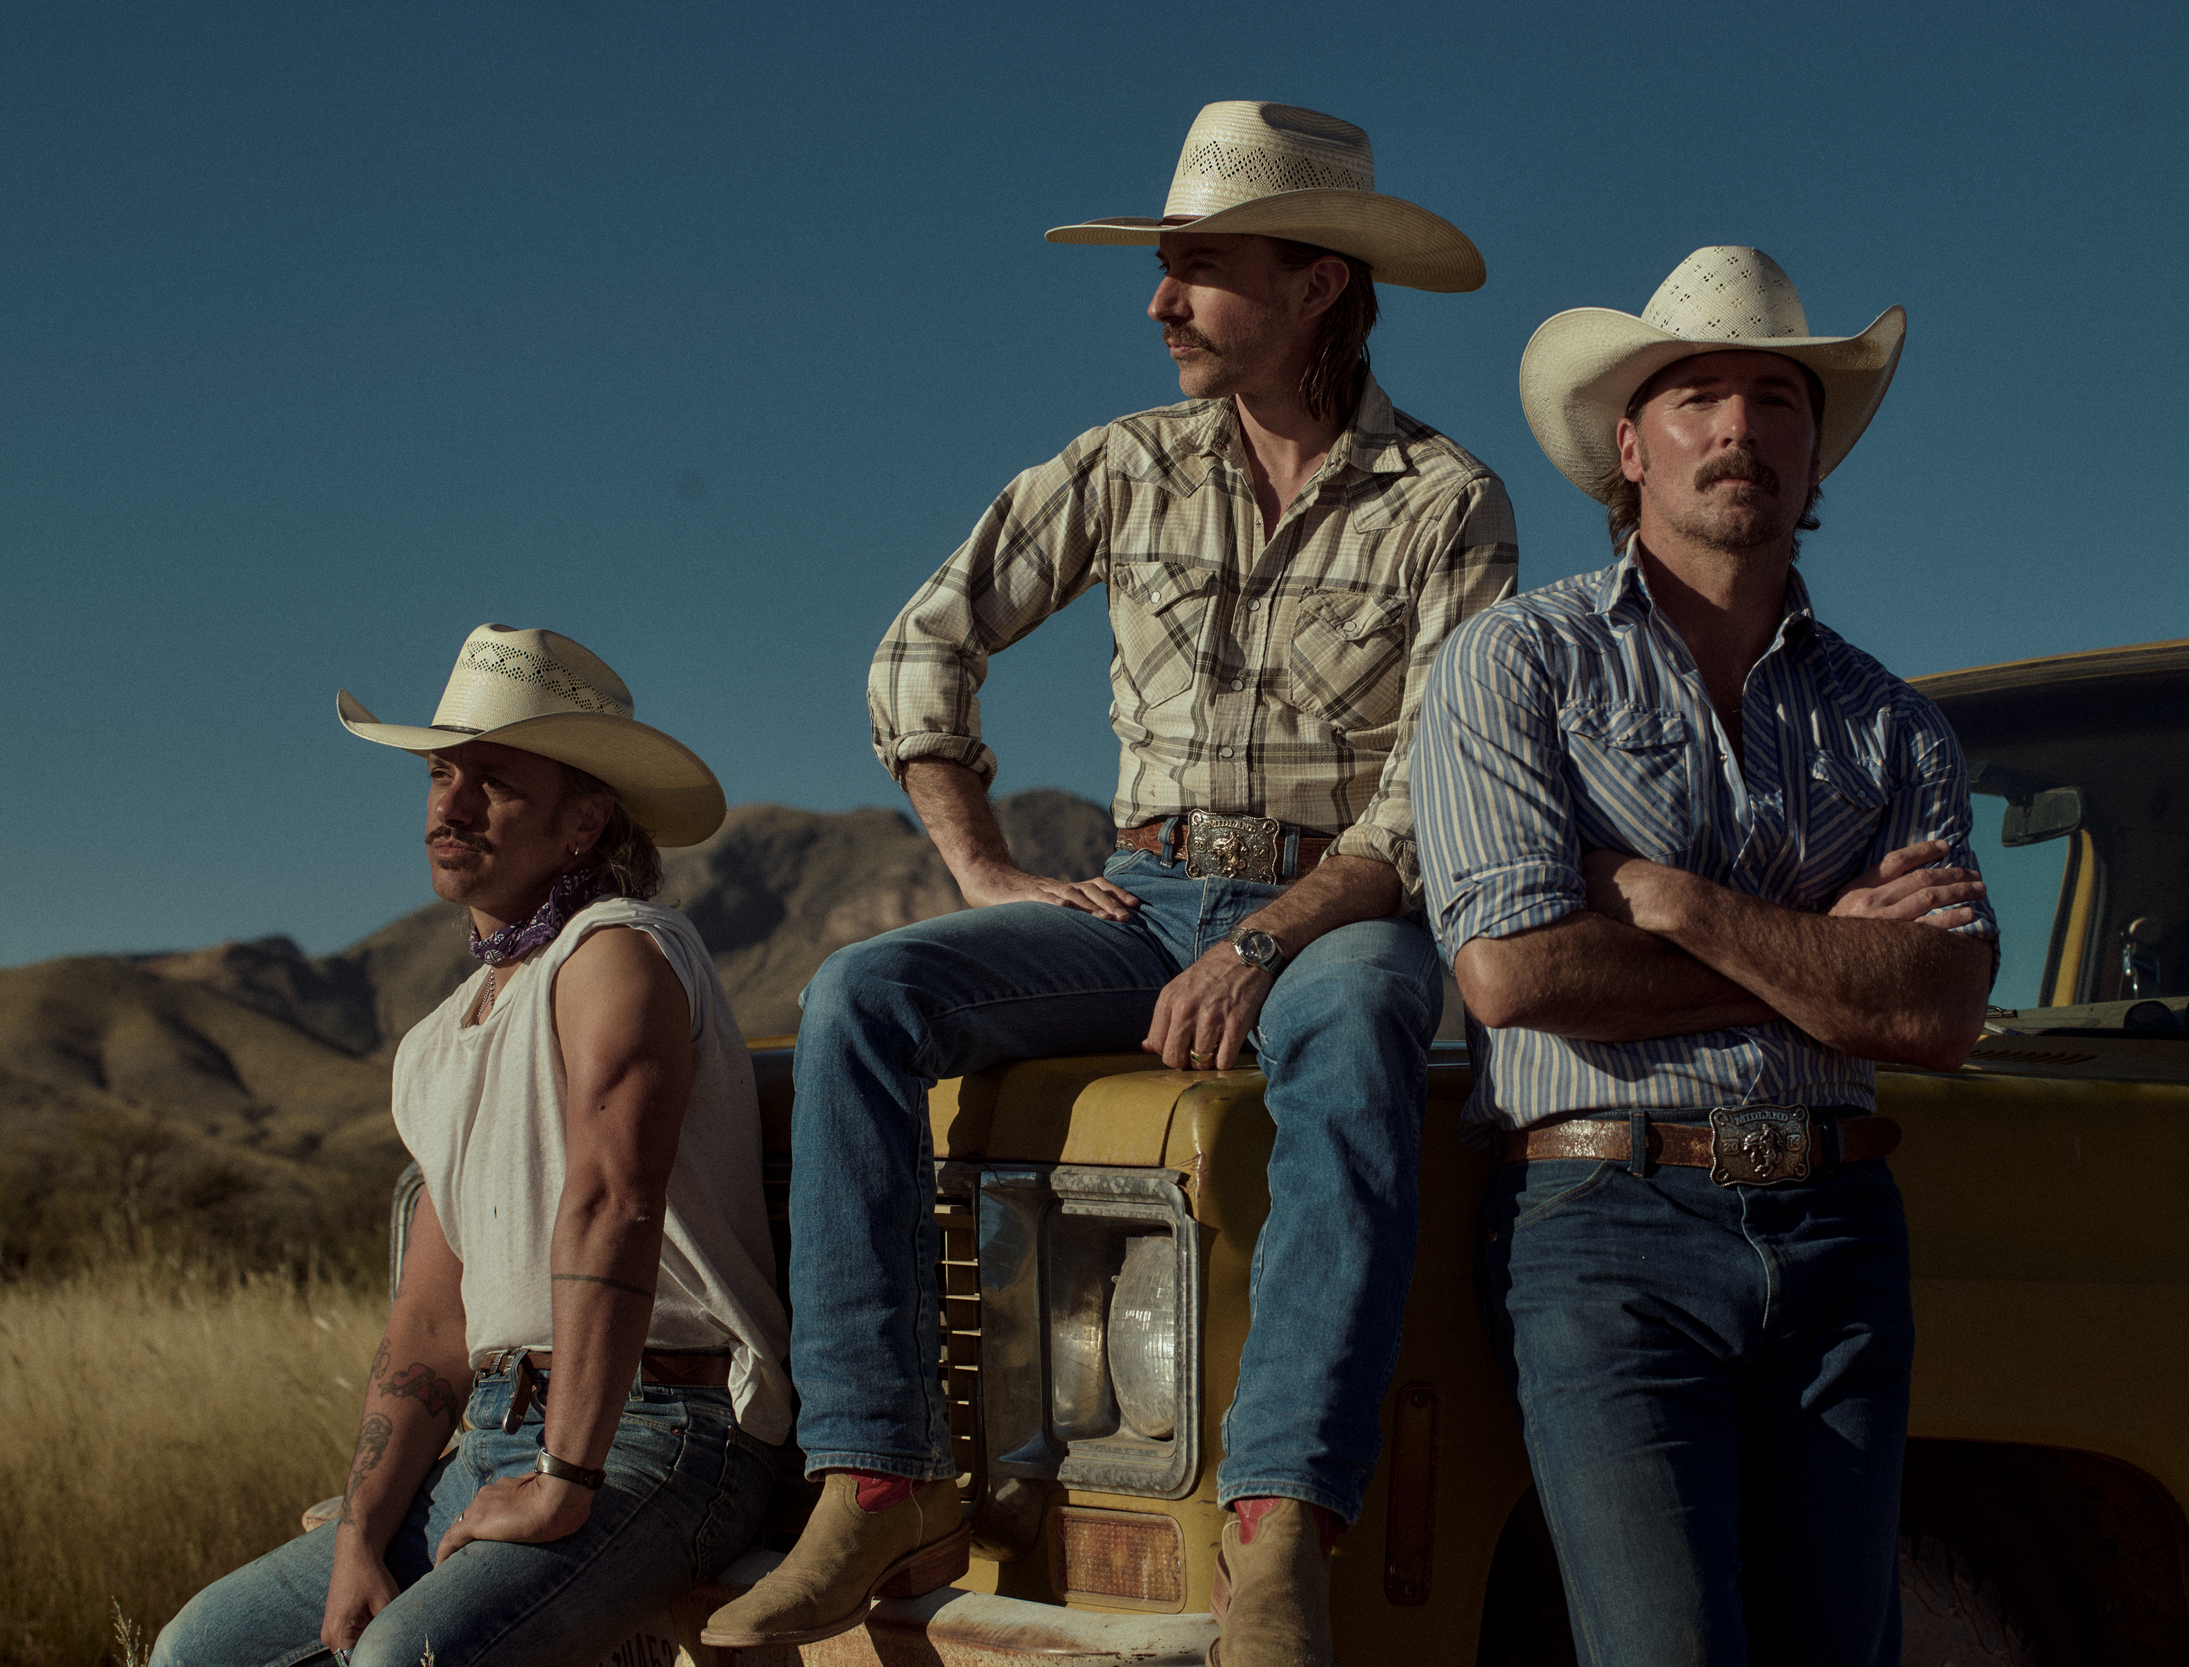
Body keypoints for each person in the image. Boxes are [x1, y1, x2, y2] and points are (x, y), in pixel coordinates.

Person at [700, 102, 1515, 1664]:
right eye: (1162, 267)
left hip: (1339, 907)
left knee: (1355, 1041)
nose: (1159, 301)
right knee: (860, 996)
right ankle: (875, 1470)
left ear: (1321, 282)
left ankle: (1279, 1527)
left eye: (1199, 267)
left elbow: (1432, 791)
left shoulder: (1447, 501)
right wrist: (984, 864)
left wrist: (1266, 941)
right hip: (1139, 898)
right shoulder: (1119, 468)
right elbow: (918, 647)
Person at [1412, 247, 1998, 1667]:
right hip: (1608, 1222)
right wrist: (1823, 958)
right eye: (1699, 396)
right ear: (1629, 443)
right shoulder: (1517, 666)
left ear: (1815, 449)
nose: (1740, 429)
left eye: (1779, 400)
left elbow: (1940, 1006)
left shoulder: (1893, 724)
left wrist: (1675, 901)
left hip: (1841, 1227)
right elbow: (1512, 975)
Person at [154, 624, 791, 1667]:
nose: (448, 807)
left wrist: (565, 1478)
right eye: (441, 775)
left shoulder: (618, 952)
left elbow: (612, 1202)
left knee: (408, 1658)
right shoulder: (435, 1043)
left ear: (583, 819)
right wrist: (361, 1528)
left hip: (657, 1430)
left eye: (491, 780)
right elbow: (431, 1316)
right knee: (197, 1649)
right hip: (490, 1432)